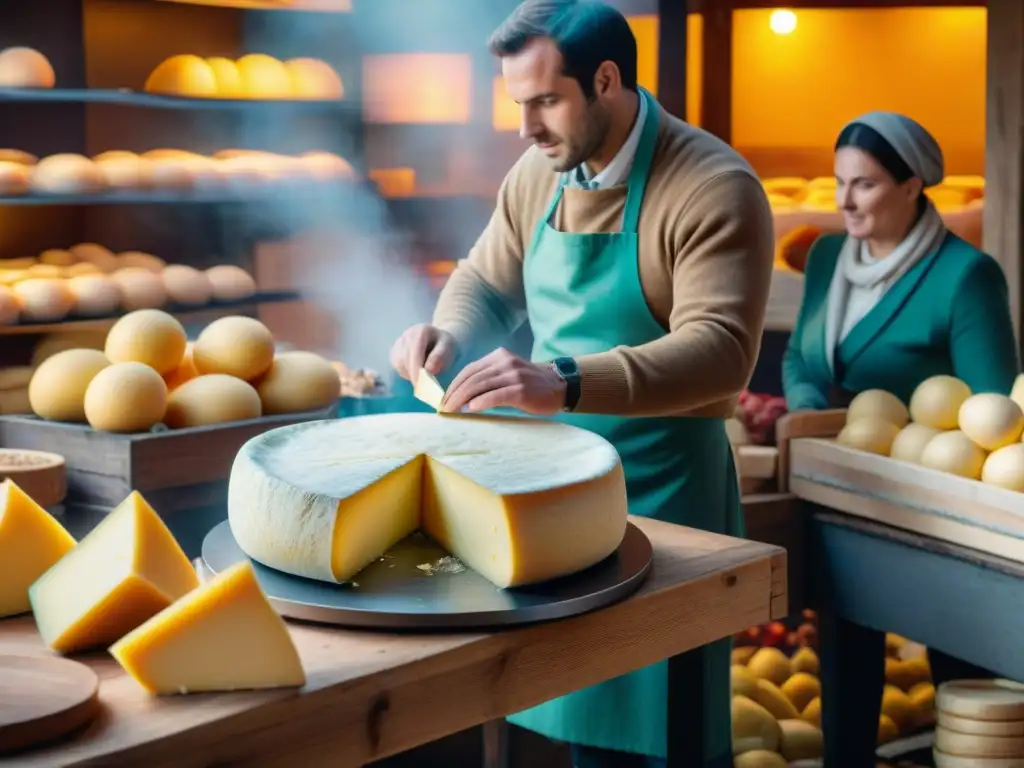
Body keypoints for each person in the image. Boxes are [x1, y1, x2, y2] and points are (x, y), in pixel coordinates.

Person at [388, 1, 775, 765]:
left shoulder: (713, 185)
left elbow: (722, 350)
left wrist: (561, 382)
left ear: (606, 80)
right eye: (517, 104)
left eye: (543, 102)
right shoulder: (540, 172)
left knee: (656, 731)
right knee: (544, 715)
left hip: (666, 503)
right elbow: (486, 281)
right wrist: (448, 332)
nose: (525, 128)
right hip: (550, 501)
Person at [782, 111, 1019, 764]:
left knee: (958, 668)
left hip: (934, 506)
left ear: (914, 185)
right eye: (838, 182)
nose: (844, 200)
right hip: (842, 488)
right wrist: (810, 413)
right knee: (845, 662)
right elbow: (802, 358)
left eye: (864, 185)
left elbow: (994, 408)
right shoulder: (828, 257)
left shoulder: (965, 275)